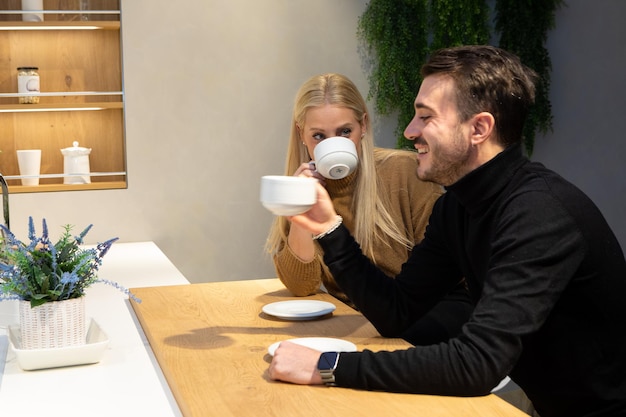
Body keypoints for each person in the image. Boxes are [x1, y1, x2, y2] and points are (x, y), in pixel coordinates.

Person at [268, 46, 626, 417]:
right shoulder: (457, 207)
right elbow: (396, 312)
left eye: (426, 117)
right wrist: (329, 228)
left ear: (479, 129)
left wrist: (328, 367)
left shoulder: (540, 213)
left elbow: (477, 365)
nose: (410, 131)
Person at [265, 73, 473, 345]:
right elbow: (301, 286)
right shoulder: (305, 185)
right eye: (318, 136)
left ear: (363, 125)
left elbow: (443, 273)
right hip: (355, 323)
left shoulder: (405, 172)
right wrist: (301, 206)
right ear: (301, 134)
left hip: (418, 318)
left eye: (344, 132)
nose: (332, 144)